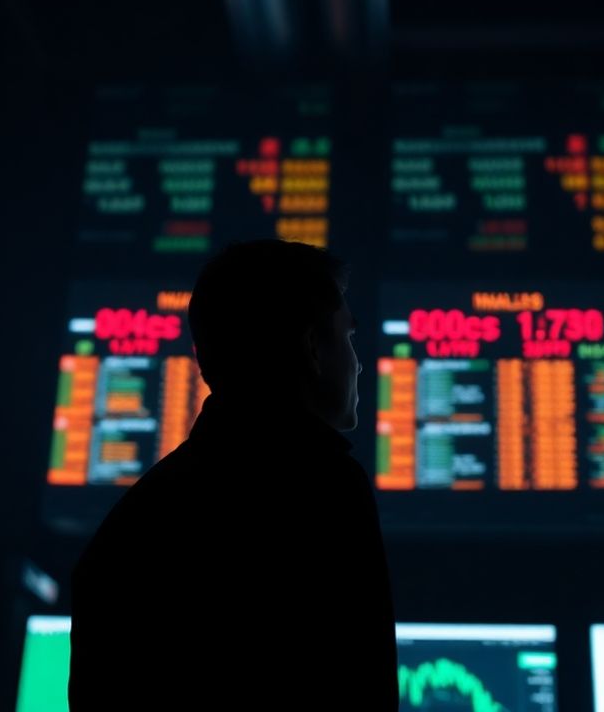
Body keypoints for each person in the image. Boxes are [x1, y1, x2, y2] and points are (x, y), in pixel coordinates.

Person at [69, 240, 398, 710]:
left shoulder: (129, 523)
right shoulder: (323, 486)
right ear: (312, 348)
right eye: (347, 337)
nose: (360, 361)